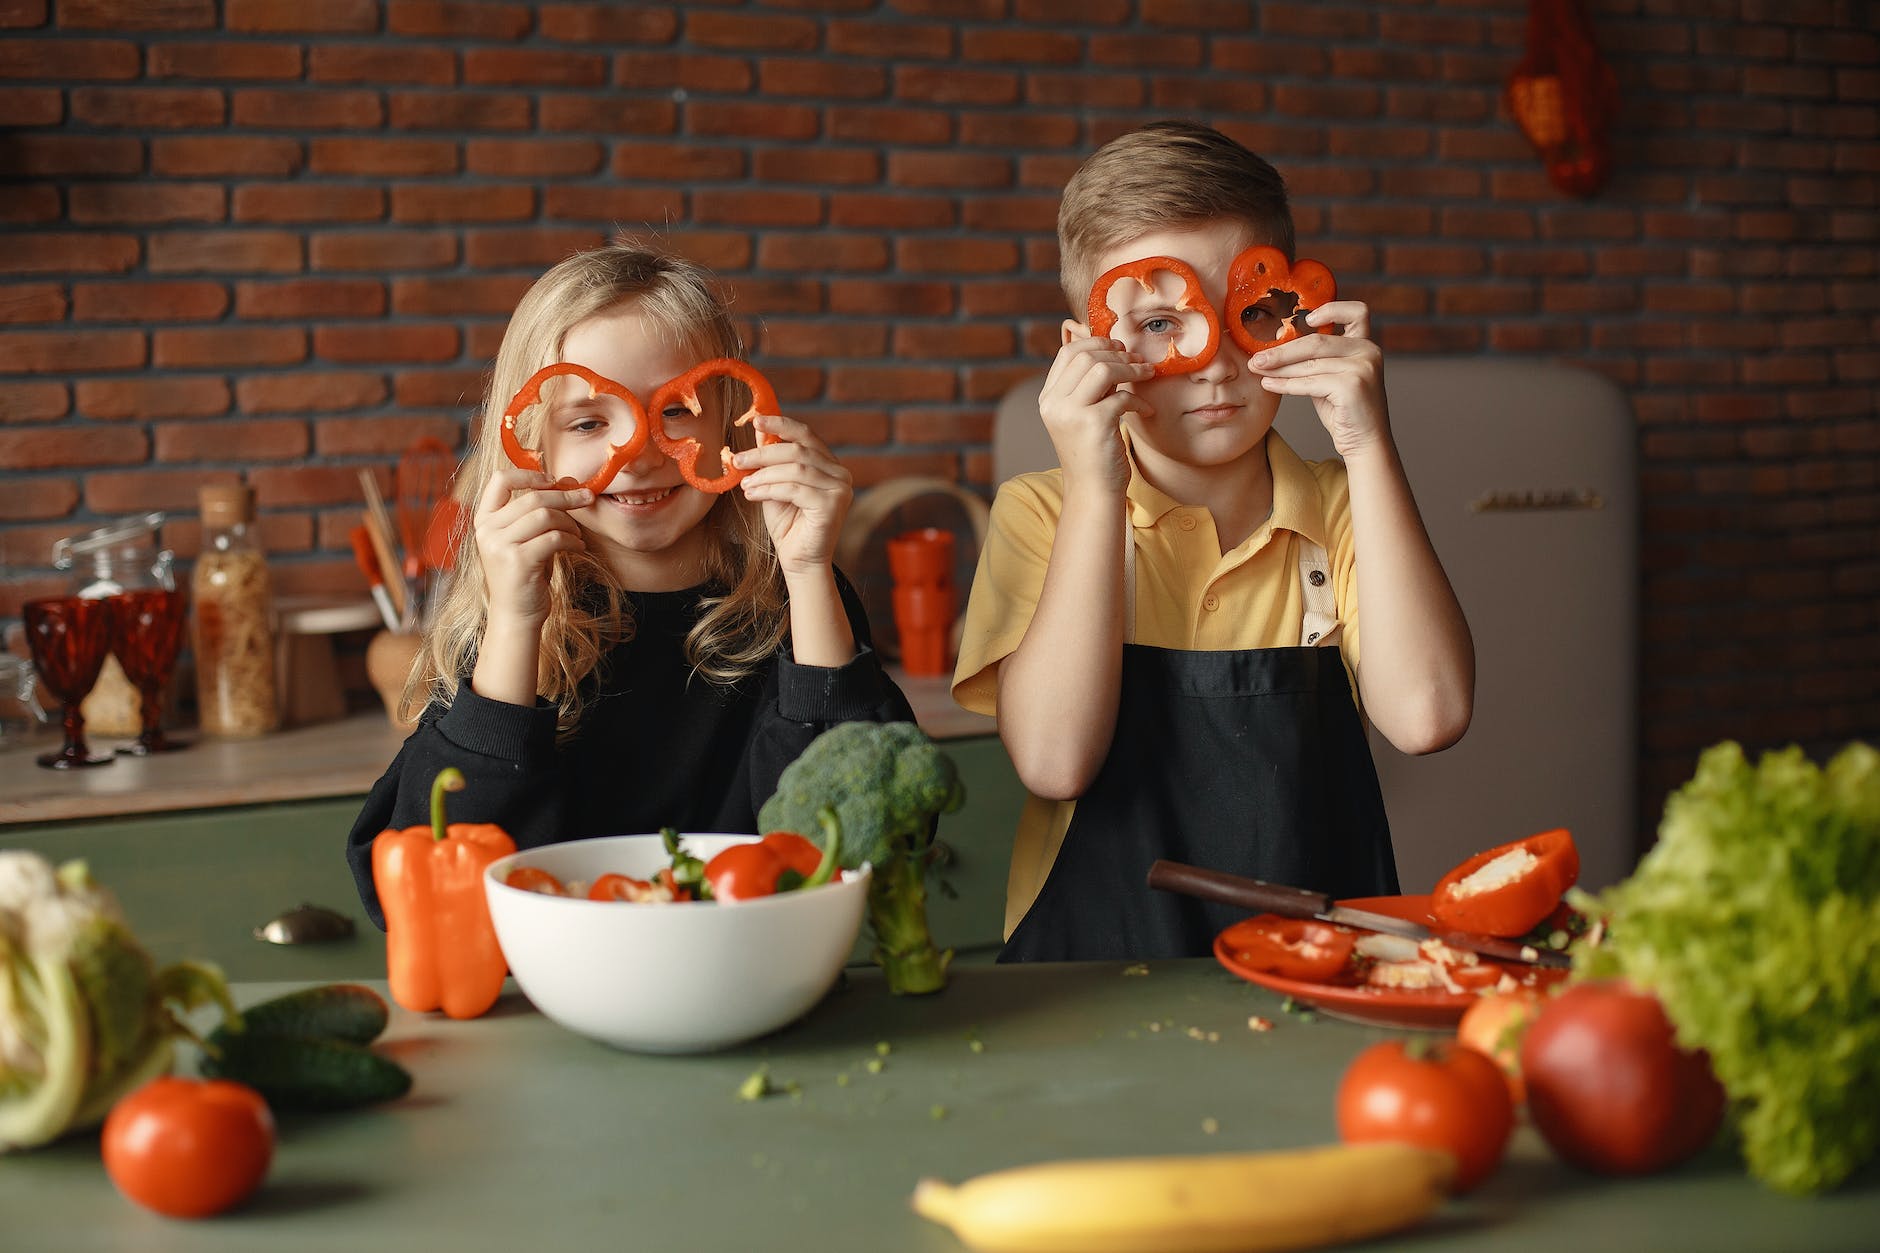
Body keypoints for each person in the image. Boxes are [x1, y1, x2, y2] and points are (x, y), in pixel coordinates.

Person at [952, 121, 1474, 962]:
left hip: (1315, 971)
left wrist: (1367, 444)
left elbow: (1429, 714)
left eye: (1249, 308)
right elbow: (1053, 761)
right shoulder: (1042, 511)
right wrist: (1095, 489)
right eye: (1161, 322)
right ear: (1086, 345)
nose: (1214, 359)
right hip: (1090, 981)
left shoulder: (1346, 507)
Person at [345, 241, 914, 926]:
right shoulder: (512, 624)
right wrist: (519, 619)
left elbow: (876, 845)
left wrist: (808, 572)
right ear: (533, 443)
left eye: (676, 410)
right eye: (588, 421)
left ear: (734, 416)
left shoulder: (798, 596)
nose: (639, 452)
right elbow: (426, 900)